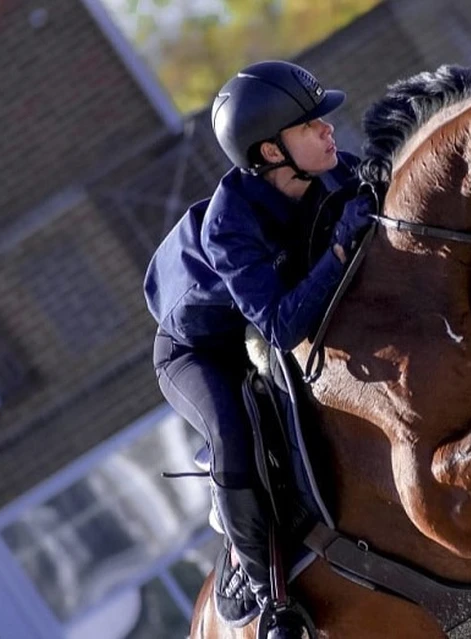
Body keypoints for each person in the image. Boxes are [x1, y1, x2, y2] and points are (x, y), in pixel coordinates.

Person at [144, 60, 374, 639]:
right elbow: (278, 325)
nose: (328, 131)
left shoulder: (335, 173)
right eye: (310, 126)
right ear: (271, 153)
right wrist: (340, 253)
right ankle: (266, 591)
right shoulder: (229, 225)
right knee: (231, 430)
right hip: (198, 353)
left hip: (261, 325)